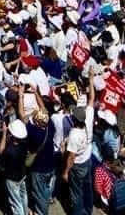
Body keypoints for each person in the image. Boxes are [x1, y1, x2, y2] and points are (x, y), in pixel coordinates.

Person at [63, 71, 95, 215]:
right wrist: (91, 80)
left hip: (78, 164)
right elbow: (92, 99)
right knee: (87, 188)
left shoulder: (74, 134)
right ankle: (88, 210)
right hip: (88, 159)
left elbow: (71, 157)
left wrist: (65, 172)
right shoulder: (88, 117)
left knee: (76, 194)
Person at [0, 118, 29, 215]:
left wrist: (3, 134)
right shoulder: (24, 144)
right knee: (23, 197)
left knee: (15, 202)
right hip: (22, 175)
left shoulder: (10, 151)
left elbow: (0, 151)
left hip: (12, 179)